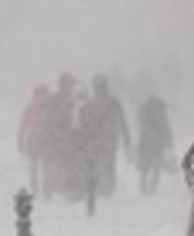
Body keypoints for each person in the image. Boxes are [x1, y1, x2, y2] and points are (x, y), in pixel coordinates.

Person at [76, 74, 131, 215]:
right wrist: (126, 139)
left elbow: (83, 125)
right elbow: (122, 121)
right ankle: (106, 192)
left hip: (97, 142)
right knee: (107, 166)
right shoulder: (113, 102)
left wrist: (82, 141)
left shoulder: (91, 104)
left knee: (98, 167)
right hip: (108, 141)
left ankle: (101, 193)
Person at [37, 73, 80, 200]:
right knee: (54, 166)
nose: (71, 89)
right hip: (55, 139)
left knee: (60, 166)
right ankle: (53, 192)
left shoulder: (67, 101)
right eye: (70, 85)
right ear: (63, 85)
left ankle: (58, 191)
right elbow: (50, 121)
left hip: (59, 139)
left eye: (72, 86)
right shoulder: (55, 101)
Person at [134, 94, 174, 196]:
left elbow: (143, 124)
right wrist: (168, 142)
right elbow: (166, 127)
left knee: (146, 167)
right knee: (156, 166)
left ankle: (144, 188)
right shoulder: (160, 111)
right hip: (156, 142)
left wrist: (168, 142)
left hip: (146, 141)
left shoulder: (145, 109)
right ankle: (152, 189)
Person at [17, 83, 50, 195]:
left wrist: (21, 140)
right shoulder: (31, 108)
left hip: (41, 141)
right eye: (40, 94)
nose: (42, 97)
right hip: (36, 141)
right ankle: (37, 188)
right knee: (36, 167)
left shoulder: (46, 108)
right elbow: (23, 125)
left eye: (43, 94)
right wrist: (20, 140)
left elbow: (23, 126)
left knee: (43, 167)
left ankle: (43, 188)